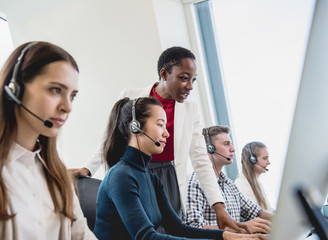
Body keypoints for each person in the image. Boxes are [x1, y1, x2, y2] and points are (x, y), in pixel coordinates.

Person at [72, 46, 249, 232]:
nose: (190, 86)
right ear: (164, 74)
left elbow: (200, 159)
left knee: (172, 230)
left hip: (168, 178)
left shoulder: (190, 109)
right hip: (135, 172)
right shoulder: (131, 96)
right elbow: (111, 137)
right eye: (184, 78)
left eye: (193, 80)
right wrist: (88, 169)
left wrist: (219, 207)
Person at [0, 41, 97, 239]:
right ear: (15, 88)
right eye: (56, 90)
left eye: (73, 96)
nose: (67, 107)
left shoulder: (57, 174)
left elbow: (81, 235)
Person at [93, 97, 267, 240]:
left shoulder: (151, 178)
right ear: (135, 127)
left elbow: (179, 229)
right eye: (160, 124)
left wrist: (226, 236)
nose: (166, 133)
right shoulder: (121, 176)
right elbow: (146, 237)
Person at [185, 126, 272, 234]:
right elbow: (194, 227)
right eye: (226, 144)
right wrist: (240, 229)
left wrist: (281, 219)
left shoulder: (229, 184)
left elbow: (255, 211)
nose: (233, 149)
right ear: (209, 148)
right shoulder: (195, 183)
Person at [235, 142, 275, 212]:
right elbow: (255, 214)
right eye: (265, 158)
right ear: (252, 160)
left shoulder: (257, 183)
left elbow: (268, 209)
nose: (269, 162)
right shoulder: (241, 184)